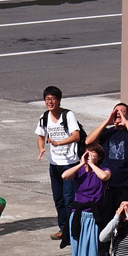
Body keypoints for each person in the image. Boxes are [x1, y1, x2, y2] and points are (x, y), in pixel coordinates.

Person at [62, 143, 111, 256]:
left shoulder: (104, 170)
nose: (90, 154)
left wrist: (91, 164)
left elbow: (104, 177)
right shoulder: (80, 170)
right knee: (80, 252)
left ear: (99, 157)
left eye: (94, 153)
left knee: (96, 252)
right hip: (78, 215)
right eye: (88, 152)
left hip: (93, 216)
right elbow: (65, 176)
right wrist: (82, 163)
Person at [36, 86, 83, 246]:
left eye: (53, 99)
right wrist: (41, 148)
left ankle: (72, 231)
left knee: (70, 198)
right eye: (47, 99)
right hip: (54, 163)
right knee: (58, 198)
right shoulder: (44, 117)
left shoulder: (68, 115)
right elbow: (41, 136)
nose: (50, 102)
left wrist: (59, 143)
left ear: (59, 100)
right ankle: (63, 229)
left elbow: (76, 136)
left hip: (70, 163)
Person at [86, 102, 128, 206]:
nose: (119, 114)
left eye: (122, 112)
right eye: (116, 112)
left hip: (126, 183)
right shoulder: (106, 132)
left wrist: (126, 123)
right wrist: (106, 122)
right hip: (106, 183)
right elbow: (88, 142)